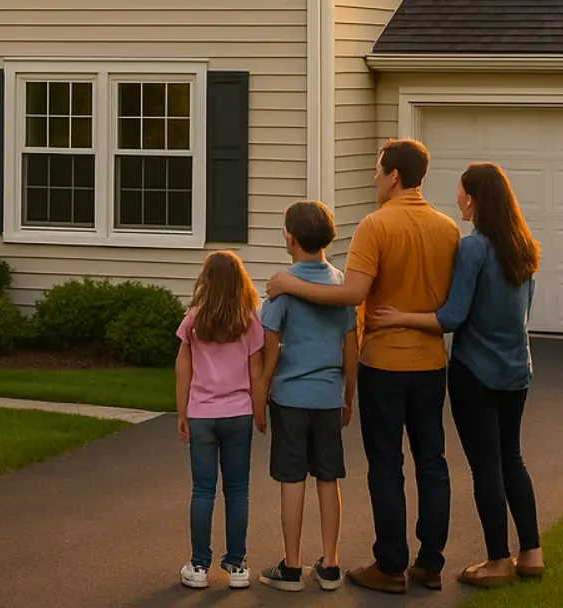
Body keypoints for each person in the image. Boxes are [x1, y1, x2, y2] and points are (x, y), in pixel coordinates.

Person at [265, 138, 460, 595]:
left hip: (385, 363)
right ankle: (430, 563)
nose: (374, 179)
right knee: (432, 460)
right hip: (431, 362)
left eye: (377, 171)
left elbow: (352, 294)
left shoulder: (376, 225)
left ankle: (391, 565)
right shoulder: (448, 228)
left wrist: (288, 284)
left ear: (394, 176)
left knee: (387, 463)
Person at [372, 162, 545, 588]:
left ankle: (498, 559)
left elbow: (451, 316)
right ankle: (531, 553)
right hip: (517, 370)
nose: (458, 201)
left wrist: (400, 317)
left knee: (486, 467)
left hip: (476, 373)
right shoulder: (523, 248)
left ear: (476, 199)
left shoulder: (474, 249)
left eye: (462, 194)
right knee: (512, 458)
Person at [256, 200, 360, 593]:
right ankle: (330, 564)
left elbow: (269, 353)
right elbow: (351, 348)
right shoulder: (341, 284)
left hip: (289, 398)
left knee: (292, 479)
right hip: (328, 397)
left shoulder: (281, 288)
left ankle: (292, 566)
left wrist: (260, 399)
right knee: (328, 478)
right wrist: (348, 397)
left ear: (291, 239)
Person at [174, 249, 268, 590]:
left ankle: (199, 565)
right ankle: (237, 564)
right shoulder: (249, 321)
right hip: (238, 413)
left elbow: (183, 368)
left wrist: (182, 412)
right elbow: (256, 369)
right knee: (237, 490)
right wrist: (259, 410)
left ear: (207, 280)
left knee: (203, 490)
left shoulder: (194, 319)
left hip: (202, 414)